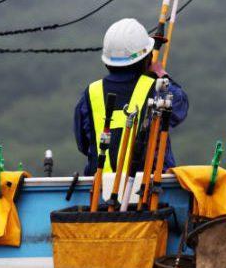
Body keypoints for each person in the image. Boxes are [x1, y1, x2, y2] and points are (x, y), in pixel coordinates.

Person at [74, 18, 189, 176]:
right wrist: (161, 75)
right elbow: (180, 106)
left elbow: (83, 144)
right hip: (149, 193)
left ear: (107, 62)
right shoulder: (157, 88)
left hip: (99, 194)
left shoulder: (90, 94)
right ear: (146, 59)